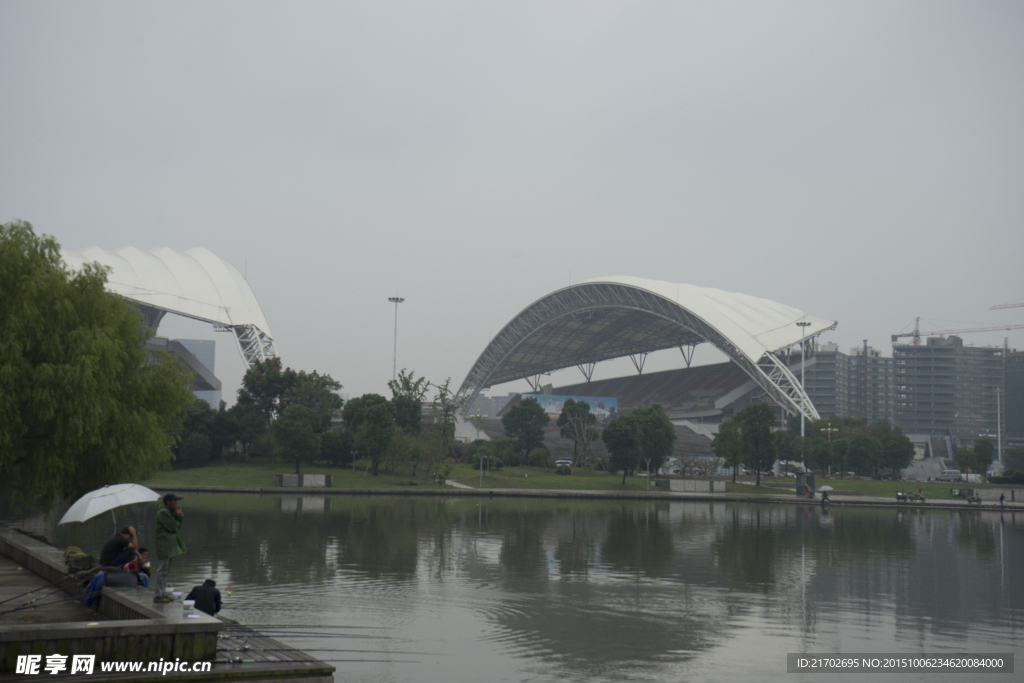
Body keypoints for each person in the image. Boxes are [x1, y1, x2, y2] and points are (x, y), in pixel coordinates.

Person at [153, 493, 186, 604]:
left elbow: (176, 526)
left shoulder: (168, 512)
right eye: (174, 501)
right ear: (168, 502)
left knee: (165, 571)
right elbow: (173, 527)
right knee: (162, 571)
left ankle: (162, 593)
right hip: (164, 545)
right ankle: (158, 595)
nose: (176, 503)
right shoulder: (163, 512)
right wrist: (177, 516)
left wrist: (178, 515)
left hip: (169, 545)